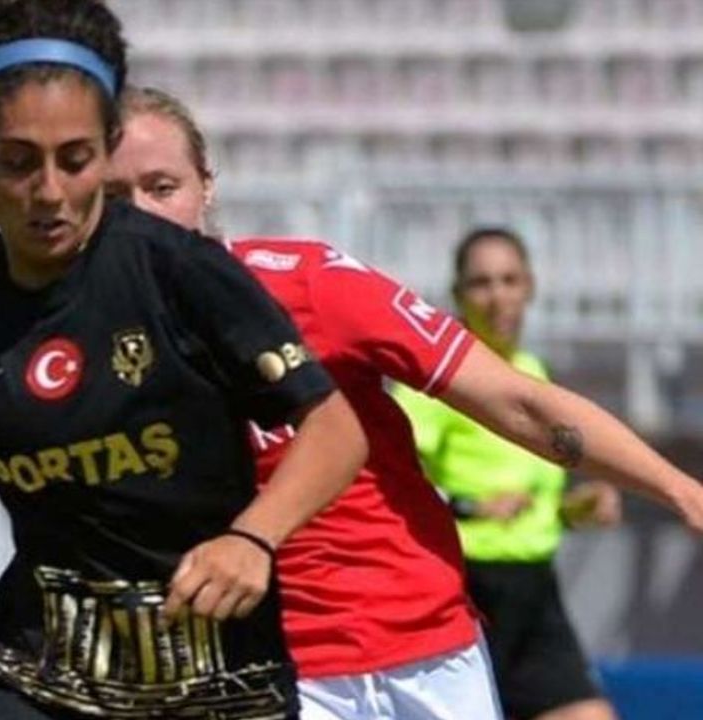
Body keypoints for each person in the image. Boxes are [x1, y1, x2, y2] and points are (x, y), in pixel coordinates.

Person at [0, 1, 370, 718]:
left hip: (220, 688)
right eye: (17, 162)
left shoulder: (183, 272)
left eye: (75, 160)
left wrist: (253, 537)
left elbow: (336, 429)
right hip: (34, 681)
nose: (49, 193)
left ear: (109, 148)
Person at [106, 85, 703, 720]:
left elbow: (519, 404)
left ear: (206, 186)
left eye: (162, 187)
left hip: (426, 649)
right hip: (267, 669)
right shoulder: (78, 345)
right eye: (115, 197)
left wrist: (681, 492)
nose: (141, 214)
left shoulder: (311, 283)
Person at [393, 227, 622, 720]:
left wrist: (571, 512)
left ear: (529, 287)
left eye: (509, 280)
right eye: (481, 283)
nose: (497, 296)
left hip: (534, 591)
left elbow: (526, 505)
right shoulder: (438, 381)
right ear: (458, 294)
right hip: (465, 587)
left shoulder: (531, 372)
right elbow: (387, 480)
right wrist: (470, 507)